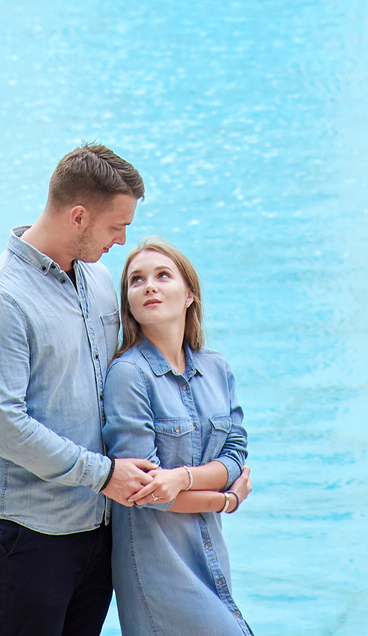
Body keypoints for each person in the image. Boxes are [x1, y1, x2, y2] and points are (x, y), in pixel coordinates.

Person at [0, 144, 164, 636]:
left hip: (94, 527)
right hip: (24, 534)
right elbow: (5, 428)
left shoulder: (95, 279)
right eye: (117, 227)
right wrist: (103, 475)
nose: (121, 241)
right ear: (78, 216)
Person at [103, 239, 255, 636]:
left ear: (189, 294)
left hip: (210, 555)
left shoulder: (216, 368)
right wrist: (228, 498)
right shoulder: (128, 375)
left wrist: (183, 478)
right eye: (136, 280)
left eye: (162, 276)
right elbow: (147, 492)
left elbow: (237, 453)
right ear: (129, 303)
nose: (149, 286)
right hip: (160, 569)